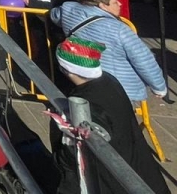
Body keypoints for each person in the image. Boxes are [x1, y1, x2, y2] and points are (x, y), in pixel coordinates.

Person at [50, 36, 166, 194]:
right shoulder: (109, 80)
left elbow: (80, 149)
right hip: (137, 164)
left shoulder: (86, 103)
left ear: (66, 69)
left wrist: (63, 158)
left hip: (112, 179)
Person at [52, 0, 167, 105]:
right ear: (103, 6)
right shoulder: (120, 29)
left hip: (81, 80)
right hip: (119, 88)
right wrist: (159, 87)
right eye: (115, 2)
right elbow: (143, 59)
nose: (120, 4)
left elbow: (54, 15)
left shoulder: (68, 10)